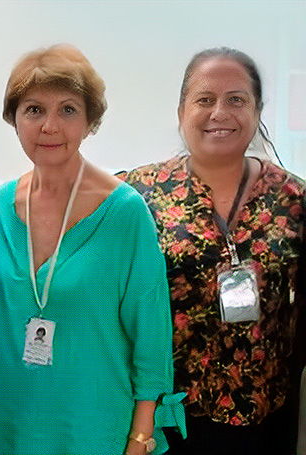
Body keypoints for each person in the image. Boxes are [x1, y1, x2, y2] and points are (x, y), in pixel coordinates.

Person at [0, 44, 182, 455]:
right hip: (8, 432)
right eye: (33, 109)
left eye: (68, 109)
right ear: (14, 120)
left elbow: (151, 337)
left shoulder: (125, 212)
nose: (49, 126)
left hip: (99, 433)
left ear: (90, 121)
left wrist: (140, 438)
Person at [122, 47, 306, 455]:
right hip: (166, 420)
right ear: (181, 111)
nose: (219, 113)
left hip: (266, 420)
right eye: (204, 100)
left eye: (236, 100)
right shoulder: (135, 195)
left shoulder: (294, 199)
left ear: (258, 110)